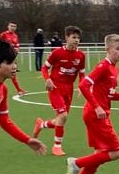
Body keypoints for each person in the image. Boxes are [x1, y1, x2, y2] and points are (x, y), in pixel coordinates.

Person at [66, 34, 119, 174]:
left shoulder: (115, 69)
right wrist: (97, 107)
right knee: (117, 152)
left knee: (100, 154)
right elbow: (83, 85)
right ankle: (76, 163)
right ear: (107, 49)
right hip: (96, 115)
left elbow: (109, 95)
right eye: (117, 48)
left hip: (98, 114)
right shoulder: (103, 66)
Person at [0, 39, 47, 174]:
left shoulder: (3, 89)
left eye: (14, 62)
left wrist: (27, 140)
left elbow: (5, 121)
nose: (14, 66)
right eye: (9, 63)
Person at [34, 25, 86, 157]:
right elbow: (44, 68)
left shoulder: (81, 55)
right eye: (74, 37)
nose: (76, 40)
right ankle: (57, 146)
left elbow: (82, 74)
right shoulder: (57, 53)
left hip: (69, 89)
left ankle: (41, 124)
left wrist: (81, 86)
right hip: (55, 87)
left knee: (61, 119)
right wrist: (47, 79)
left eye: (78, 38)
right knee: (63, 116)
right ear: (67, 37)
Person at [0, 22, 27, 94]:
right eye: (11, 26)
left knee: (13, 73)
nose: (13, 27)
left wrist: (17, 49)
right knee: (1, 74)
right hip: (3, 58)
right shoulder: (3, 34)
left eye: (14, 26)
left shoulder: (15, 36)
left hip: (11, 58)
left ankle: (19, 90)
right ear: (8, 26)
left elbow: (17, 45)